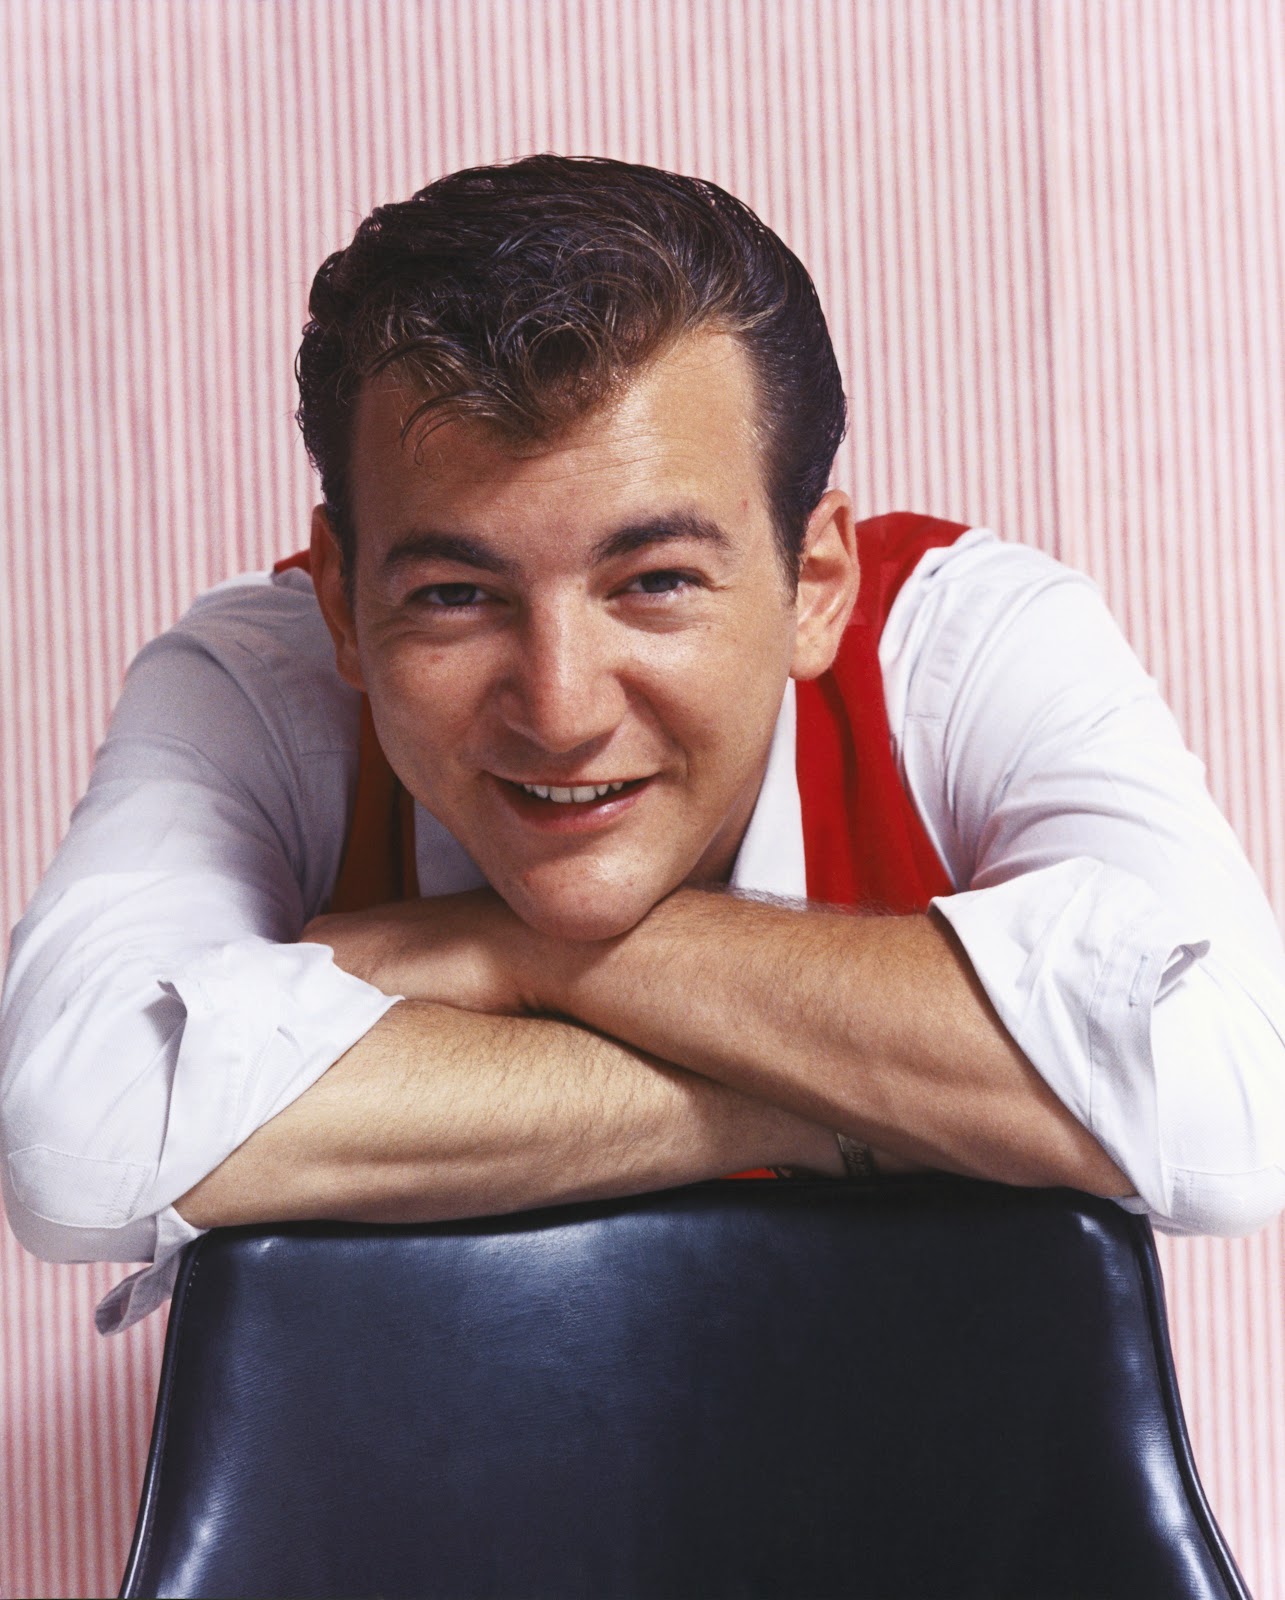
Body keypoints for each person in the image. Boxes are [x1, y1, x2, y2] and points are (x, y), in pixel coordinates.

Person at [3, 155, 1283, 1335]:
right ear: (342, 599)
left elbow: (1233, 1110)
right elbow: (77, 1140)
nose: (559, 708)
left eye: (655, 581)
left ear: (816, 577)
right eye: (455, 595)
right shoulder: (259, 679)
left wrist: (507, 954)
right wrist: (871, 1103)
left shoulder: (966, 641)